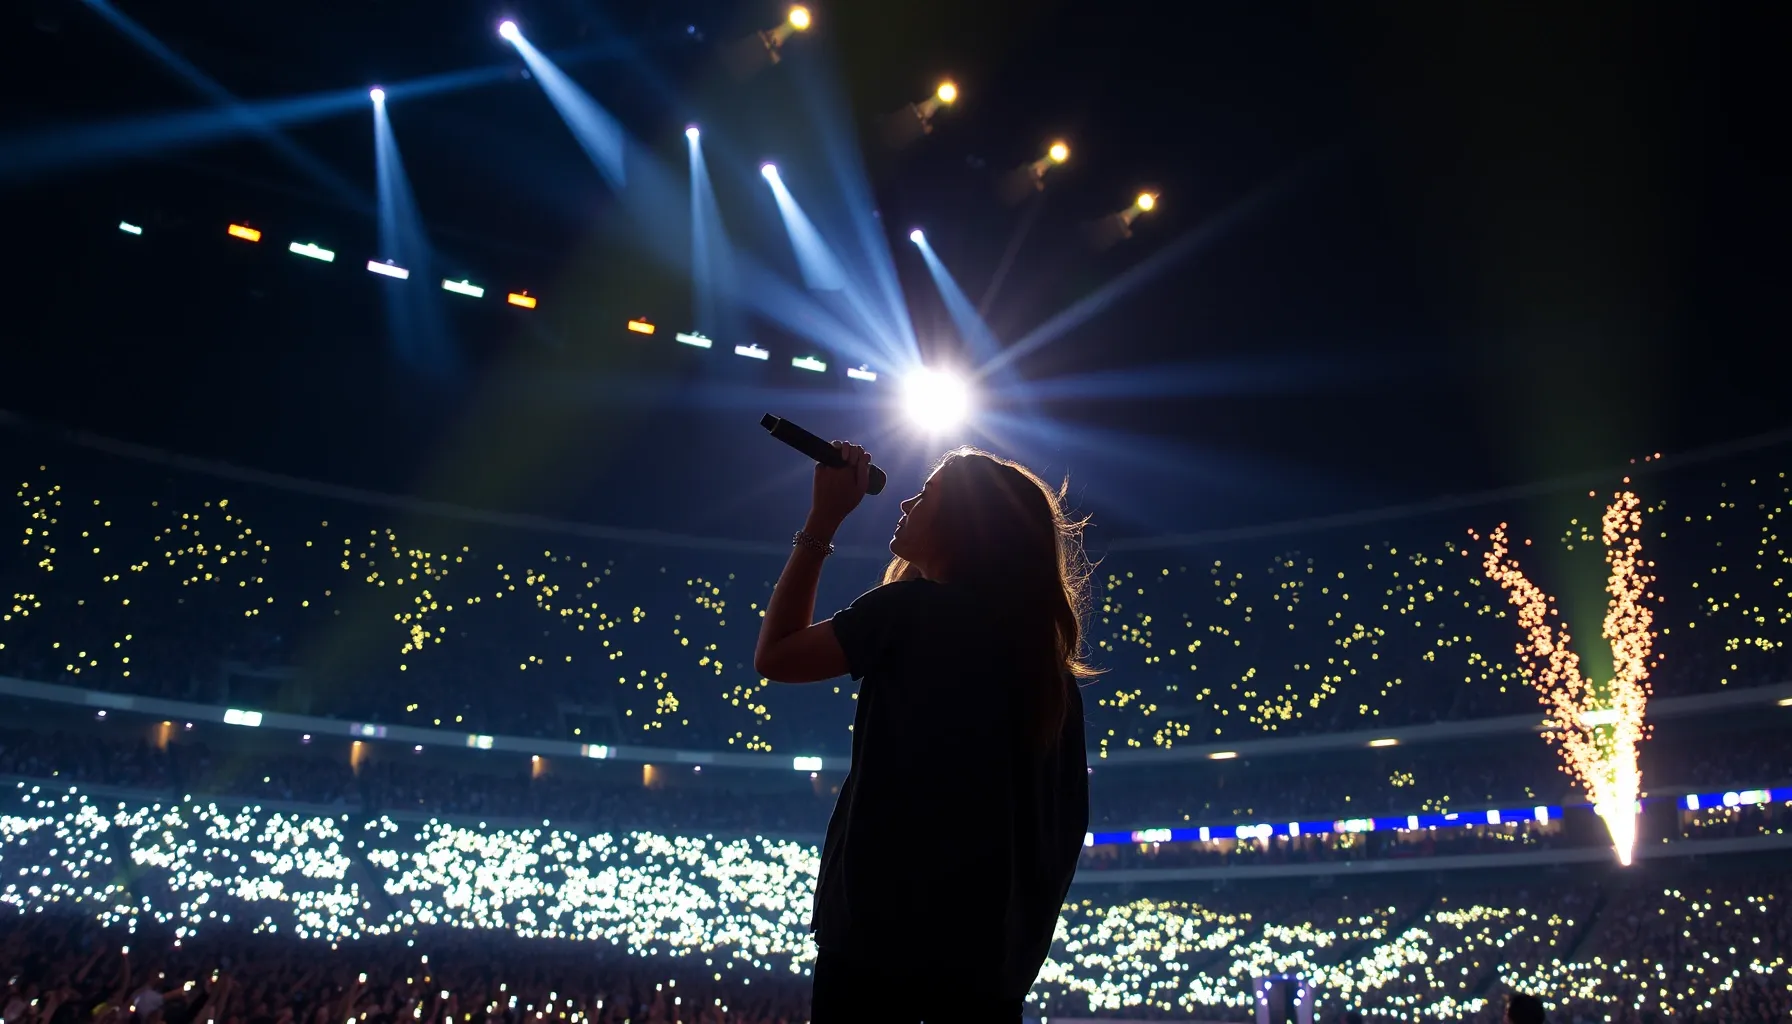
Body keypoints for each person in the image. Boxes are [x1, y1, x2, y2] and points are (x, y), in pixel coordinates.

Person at [754, 443, 1096, 1022]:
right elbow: (1062, 829)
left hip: (874, 954)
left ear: (964, 524)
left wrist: (822, 521)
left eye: (927, 494)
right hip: (986, 970)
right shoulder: (1049, 675)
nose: (905, 503)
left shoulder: (909, 611)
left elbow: (777, 655)